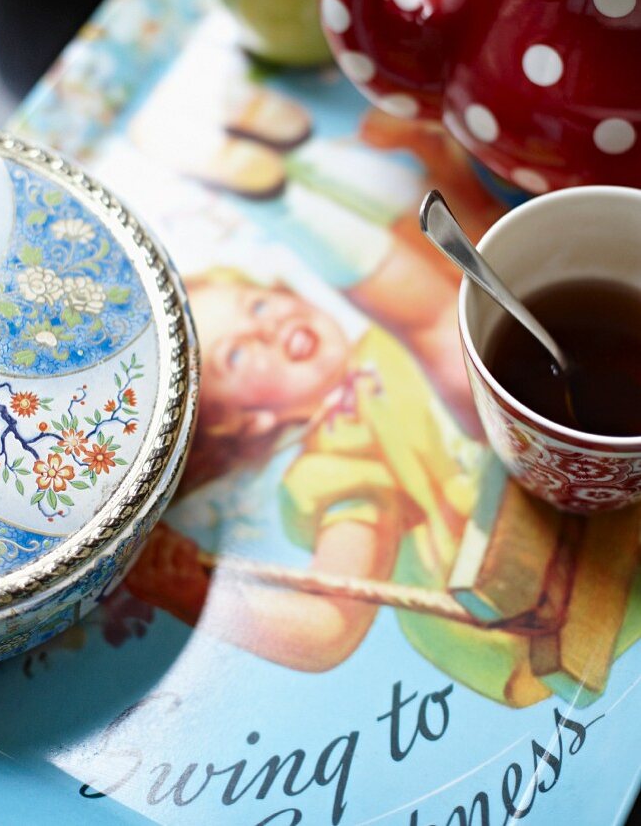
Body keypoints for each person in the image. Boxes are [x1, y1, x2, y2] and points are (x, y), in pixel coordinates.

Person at [123, 269, 558, 707]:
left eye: (256, 305)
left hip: (551, 493)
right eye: (235, 355)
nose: (264, 327)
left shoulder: (385, 341)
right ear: (245, 422)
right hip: (517, 594)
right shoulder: (335, 459)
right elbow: (328, 626)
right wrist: (195, 597)